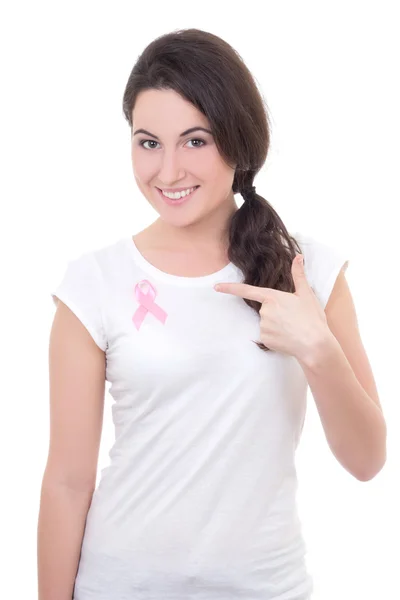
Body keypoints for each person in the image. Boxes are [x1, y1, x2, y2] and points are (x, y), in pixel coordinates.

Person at [38, 28, 385, 600]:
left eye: (194, 141)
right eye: (148, 143)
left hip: (267, 587)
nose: (168, 171)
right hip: (121, 585)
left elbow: (367, 461)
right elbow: (68, 483)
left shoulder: (310, 272)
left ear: (237, 139)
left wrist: (318, 349)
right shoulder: (94, 283)